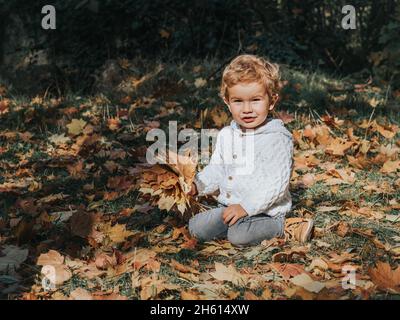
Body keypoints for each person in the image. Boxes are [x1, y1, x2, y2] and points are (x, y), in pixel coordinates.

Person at [187, 54, 313, 247]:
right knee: (196, 228)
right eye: (238, 101)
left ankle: (286, 227)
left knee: (239, 236)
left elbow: (275, 184)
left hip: (266, 211)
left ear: (271, 101)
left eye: (255, 100)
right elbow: (217, 169)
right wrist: (198, 185)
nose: (247, 109)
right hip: (230, 206)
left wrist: (246, 207)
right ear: (227, 102)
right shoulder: (227, 135)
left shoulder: (276, 138)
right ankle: (232, 224)